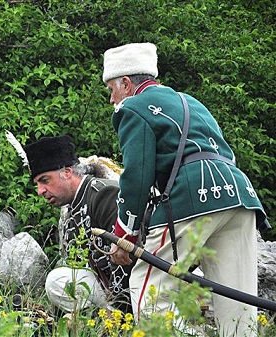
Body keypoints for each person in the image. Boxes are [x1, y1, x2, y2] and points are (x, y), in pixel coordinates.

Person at [102, 42, 267, 336]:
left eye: (111, 90)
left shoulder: (133, 108)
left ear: (126, 83)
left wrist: (124, 234)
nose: (111, 99)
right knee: (238, 307)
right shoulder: (190, 101)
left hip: (192, 196)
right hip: (239, 193)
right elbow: (223, 153)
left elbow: (136, 176)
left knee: (150, 288)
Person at [20, 135, 134, 315]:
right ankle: (94, 321)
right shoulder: (71, 207)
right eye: (37, 184)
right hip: (109, 287)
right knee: (57, 280)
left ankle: (116, 319)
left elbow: (124, 259)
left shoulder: (103, 193)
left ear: (67, 172)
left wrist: (119, 310)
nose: (40, 191)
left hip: (141, 282)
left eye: (44, 180)